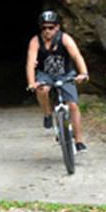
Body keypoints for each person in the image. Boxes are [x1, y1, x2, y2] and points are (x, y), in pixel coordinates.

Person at [25, 10, 89, 152]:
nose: (47, 31)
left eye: (51, 27)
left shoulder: (65, 39)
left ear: (57, 27)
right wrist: (31, 82)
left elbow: (77, 56)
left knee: (72, 105)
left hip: (65, 74)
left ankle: (78, 141)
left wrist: (83, 73)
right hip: (45, 75)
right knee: (42, 89)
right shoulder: (36, 41)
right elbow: (30, 63)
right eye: (44, 27)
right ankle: (47, 113)